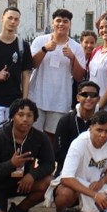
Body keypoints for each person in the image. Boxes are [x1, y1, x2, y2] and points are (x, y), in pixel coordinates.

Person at [0, 98, 54, 212]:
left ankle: (19, 210)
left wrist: (32, 175)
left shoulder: (40, 138)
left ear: (35, 118)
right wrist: (11, 164)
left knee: (49, 182)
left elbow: (49, 164)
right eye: (20, 115)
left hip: (21, 182)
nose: (25, 119)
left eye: (29, 115)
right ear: (12, 116)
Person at [30, 9, 87, 143]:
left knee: (52, 137)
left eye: (65, 21)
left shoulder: (76, 47)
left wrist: (72, 58)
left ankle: (48, 164)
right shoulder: (40, 41)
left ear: (70, 25)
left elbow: (79, 77)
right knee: (32, 136)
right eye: (58, 21)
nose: (61, 24)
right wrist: (44, 49)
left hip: (60, 100)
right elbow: (32, 64)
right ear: (52, 23)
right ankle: (30, 165)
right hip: (37, 98)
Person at [0, 7, 33, 132]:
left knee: (14, 138)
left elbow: (25, 74)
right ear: (2, 19)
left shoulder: (23, 46)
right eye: (10, 18)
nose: (13, 21)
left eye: (16, 19)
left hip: (15, 101)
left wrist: (24, 101)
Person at [54, 80, 101, 170]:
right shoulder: (65, 120)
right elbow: (58, 153)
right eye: (84, 94)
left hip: (96, 168)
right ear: (78, 97)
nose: (88, 98)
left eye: (93, 95)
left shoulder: (105, 121)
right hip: (69, 168)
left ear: (98, 99)